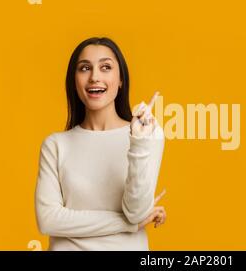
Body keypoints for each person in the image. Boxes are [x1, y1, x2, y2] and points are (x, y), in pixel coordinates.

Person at [34, 37, 166, 251]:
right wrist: (126, 224)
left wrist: (139, 142)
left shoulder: (147, 134)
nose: (94, 77)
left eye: (106, 67)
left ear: (121, 79)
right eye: (85, 68)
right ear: (74, 80)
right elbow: (48, 220)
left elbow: (136, 212)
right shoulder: (56, 145)